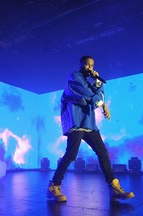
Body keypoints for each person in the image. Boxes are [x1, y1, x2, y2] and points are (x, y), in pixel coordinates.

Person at [47, 56, 134, 202]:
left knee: (102, 152)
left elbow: (98, 96)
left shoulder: (89, 82)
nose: (90, 67)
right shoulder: (74, 77)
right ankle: (53, 186)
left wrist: (98, 84)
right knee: (71, 154)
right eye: (87, 64)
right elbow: (86, 94)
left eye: (92, 65)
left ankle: (113, 186)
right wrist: (102, 102)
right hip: (76, 122)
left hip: (89, 123)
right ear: (81, 64)